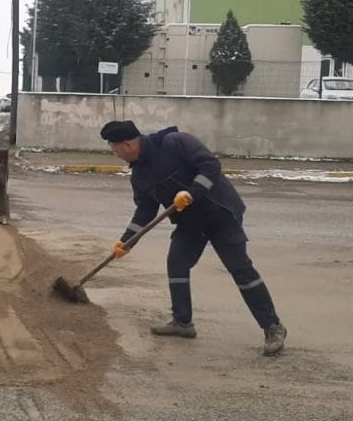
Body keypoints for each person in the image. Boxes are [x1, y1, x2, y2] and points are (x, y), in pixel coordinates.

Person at [100, 120, 286, 356]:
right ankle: (182, 322)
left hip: (219, 213)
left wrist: (192, 192)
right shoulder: (139, 174)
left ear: (128, 144)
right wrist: (127, 241)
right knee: (176, 263)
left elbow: (211, 165)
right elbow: (145, 210)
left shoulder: (176, 143)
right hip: (190, 224)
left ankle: (273, 327)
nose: (116, 155)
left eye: (115, 150)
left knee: (241, 270)